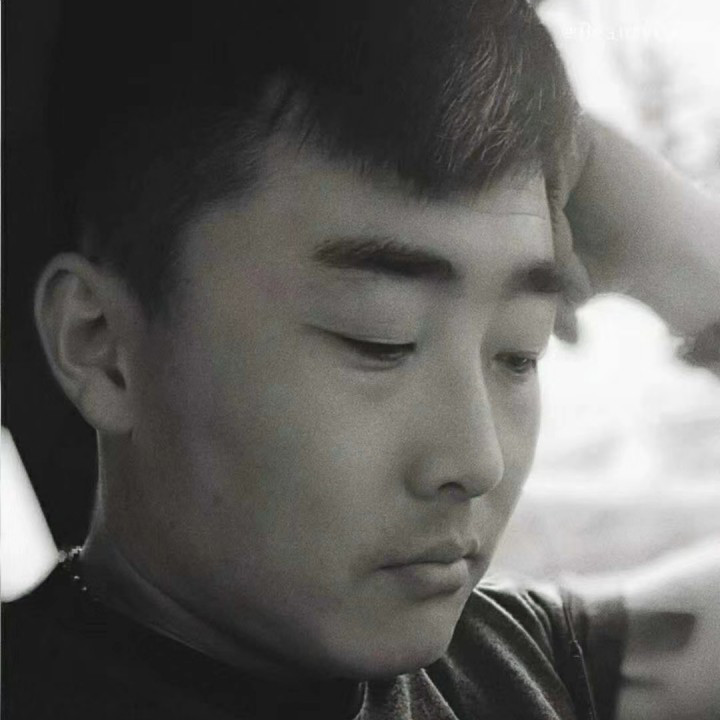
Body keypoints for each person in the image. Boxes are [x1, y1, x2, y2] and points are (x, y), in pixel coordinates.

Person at [2, 1, 719, 718]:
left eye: (517, 354)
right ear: (102, 345)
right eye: (382, 341)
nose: (480, 461)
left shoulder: (517, 663)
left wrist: (683, 258)